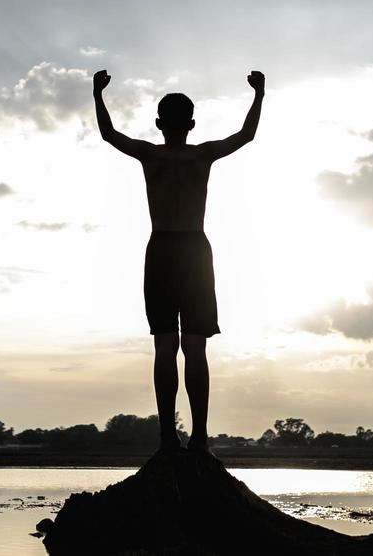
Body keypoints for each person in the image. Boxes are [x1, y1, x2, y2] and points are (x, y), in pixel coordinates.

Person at [93, 67, 265, 453]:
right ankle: (197, 437)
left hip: (165, 250)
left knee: (166, 346)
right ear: (191, 123)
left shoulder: (150, 155)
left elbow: (108, 134)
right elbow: (246, 135)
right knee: (193, 348)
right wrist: (259, 94)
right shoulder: (201, 154)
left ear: (158, 123)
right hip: (192, 249)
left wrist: (98, 94)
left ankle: (172, 438)